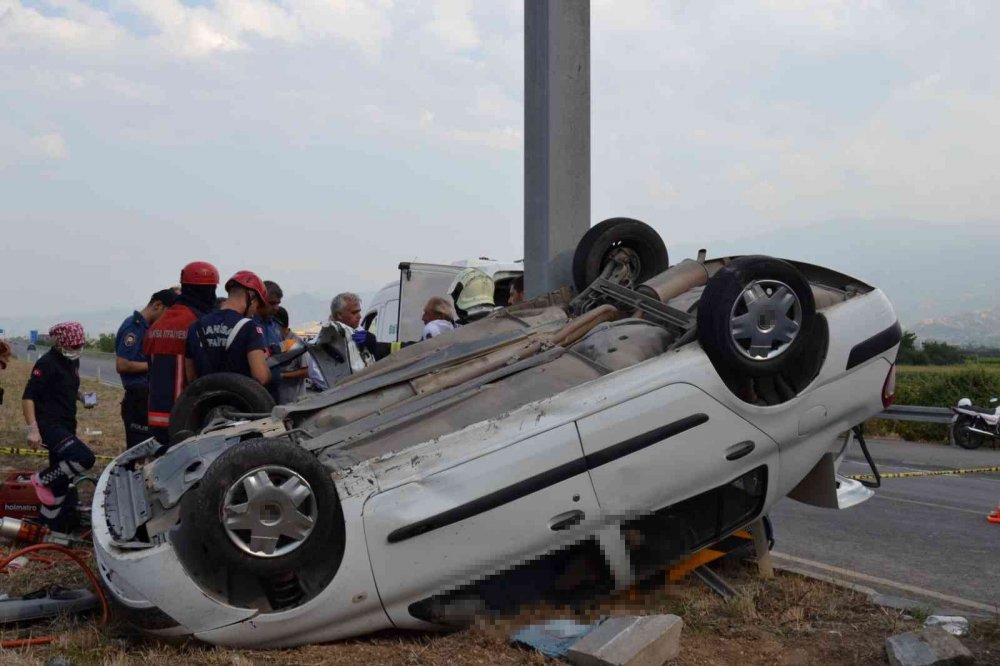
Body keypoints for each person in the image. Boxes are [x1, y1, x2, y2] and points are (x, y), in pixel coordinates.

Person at [22, 322, 97, 530]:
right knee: (84, 458)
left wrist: (83, 397)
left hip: (67, 423)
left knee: (60, 484)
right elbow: (28, 398)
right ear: (60, 343)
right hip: (49, 424)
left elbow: (70, 387)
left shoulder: (72, 361)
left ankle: (47, 526)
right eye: (73, 347)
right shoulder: (46, 363)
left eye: (80, 346)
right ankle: (41, 479)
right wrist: (33, 430)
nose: (77, 350)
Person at [145, 261, 219, 445]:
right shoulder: (198, 323)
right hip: (185, 420)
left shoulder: (156, 325)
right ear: (208, 291)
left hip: (155, 418)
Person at [115, 289, 178, 449]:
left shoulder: (148, 328)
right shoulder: (134, 327)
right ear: (158, 305)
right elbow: (123, 364)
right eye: (167, 313)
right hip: (137, 398)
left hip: (147, 395)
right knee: (139, 449)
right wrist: (156, 364)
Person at [185, 271, 270, 387]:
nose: (255, 310)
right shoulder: (249, 327)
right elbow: (261, 377)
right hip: (237, 402)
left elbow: (191, 377)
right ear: (251, 296)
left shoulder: (195, 326)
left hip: (206, 402)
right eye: (257, 305)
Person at [272, 306, 309, 404]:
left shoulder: (296, 343)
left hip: (294, 401)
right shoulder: (275, 342)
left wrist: (281, 375)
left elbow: (307, 371)